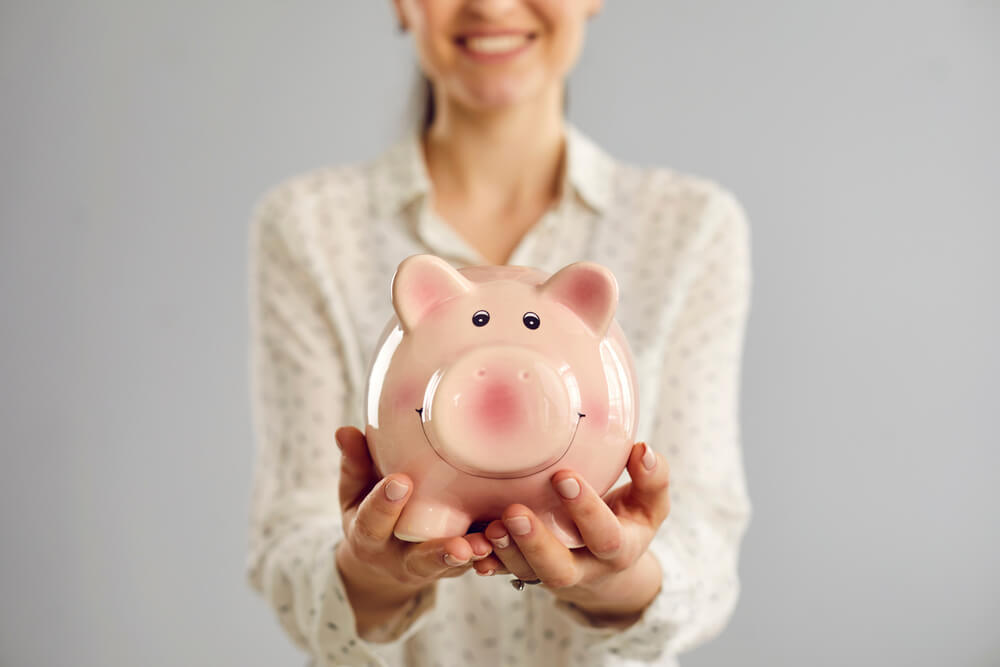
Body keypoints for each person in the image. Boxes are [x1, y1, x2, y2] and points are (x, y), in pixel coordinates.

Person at [246, 1, 753, 665]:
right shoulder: (310, 228)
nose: (490, 3)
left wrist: (617, 577)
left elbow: (706, 539)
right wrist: (370, 574)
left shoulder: (688, 228)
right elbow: (291, 535)